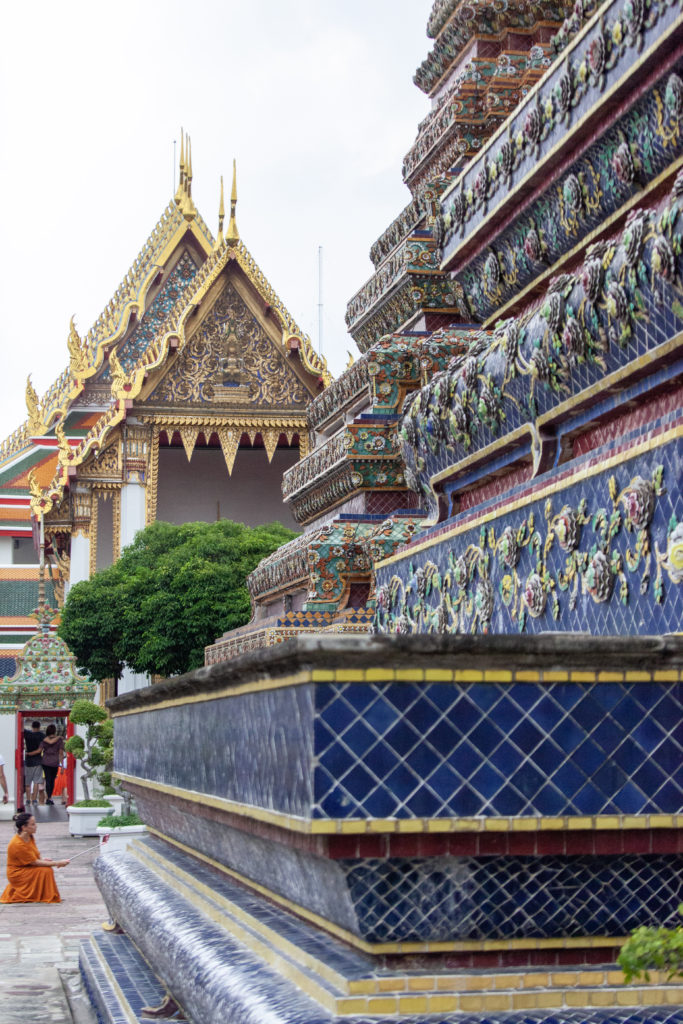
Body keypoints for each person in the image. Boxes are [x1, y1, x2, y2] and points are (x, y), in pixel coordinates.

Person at [0, 810, 69, 903]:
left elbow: (34, 856)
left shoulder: (29, 836)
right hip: (17, 873)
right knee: (46, 870)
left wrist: (44, 860)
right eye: (32, 824)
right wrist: (57, 863)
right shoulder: (17, 844)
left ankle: (44, 895)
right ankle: (45, 896)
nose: (35, 826)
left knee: (46, 869)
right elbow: (34, 862)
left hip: (26, 867)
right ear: (24, 827)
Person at [39, 725, 64, 806]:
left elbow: (40, 749)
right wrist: (62, 765)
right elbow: (61, 753)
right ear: (55, 731)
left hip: (45, 761)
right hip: (54, 762)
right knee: (52, 780)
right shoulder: (59, 740)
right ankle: (50, 797)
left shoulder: (44, 739)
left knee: (47, 779)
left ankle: (48, 797)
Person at [23, 720, 45, 806]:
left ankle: (28, 799)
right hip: (38, 760)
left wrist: (28, 753)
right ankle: (34, 799)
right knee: (36, 781)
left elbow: (21, 728)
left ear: (32, 726)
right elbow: (40, 749)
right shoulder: (42, 735)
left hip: (28, 761)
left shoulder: (27, 734)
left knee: (28, 782)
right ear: (39, 727)